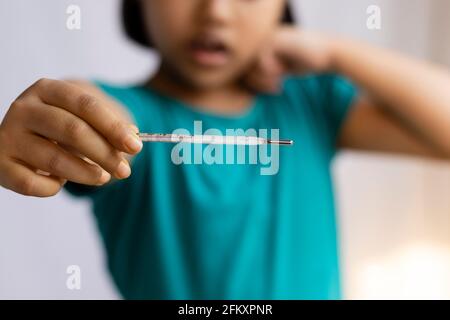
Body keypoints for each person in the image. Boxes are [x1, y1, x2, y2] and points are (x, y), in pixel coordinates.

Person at [0, 0, 449, 299]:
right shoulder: (134, 117)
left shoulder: (310, 102)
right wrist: (61, 110)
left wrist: (336, 53)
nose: (215, 11)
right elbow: (97, 112)